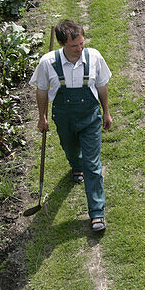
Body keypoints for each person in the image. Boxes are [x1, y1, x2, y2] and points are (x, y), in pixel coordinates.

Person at [31, 20, 113, 232]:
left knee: (92, 164)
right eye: (74, 46)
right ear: (61, 43)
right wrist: (42, 117)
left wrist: (106, 111)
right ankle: (76, 166)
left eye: (82, 43)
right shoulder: (47, 62)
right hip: (64, 117)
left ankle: (96, 213)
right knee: (70, 148)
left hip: (90, 117)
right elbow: (41, 90)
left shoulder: (94, 57)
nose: (79, 49)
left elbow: (101, 85)